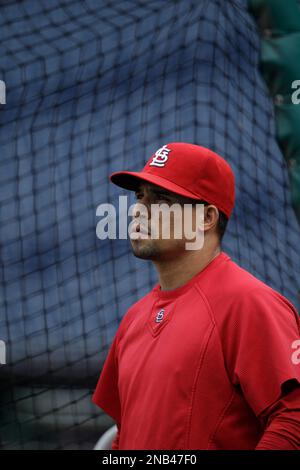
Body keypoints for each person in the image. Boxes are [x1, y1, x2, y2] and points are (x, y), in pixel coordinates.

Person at [93, 142, 300, 450]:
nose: (139, 210)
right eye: (140, 196)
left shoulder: (248, 303)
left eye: (161, 199)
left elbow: (293, 417)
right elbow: (127, 434)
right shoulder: (134, 319)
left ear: (206, 219)